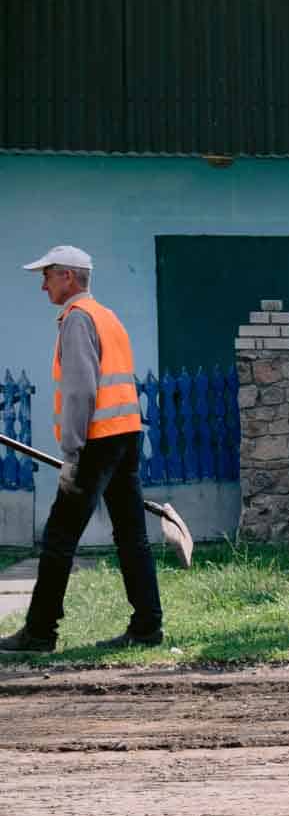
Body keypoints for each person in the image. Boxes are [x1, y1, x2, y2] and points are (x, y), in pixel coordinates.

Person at [1, 247, 165, 654]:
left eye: (47, 277)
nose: (43, 286)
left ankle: (39, 633)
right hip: (126, 435)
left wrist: (72, 455)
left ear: (68, 277)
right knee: (132, 535)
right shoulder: (107, 317)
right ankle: (147, 627)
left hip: (96, 440)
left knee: (59, 537)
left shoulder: (77, 320)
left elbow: (80, 392)